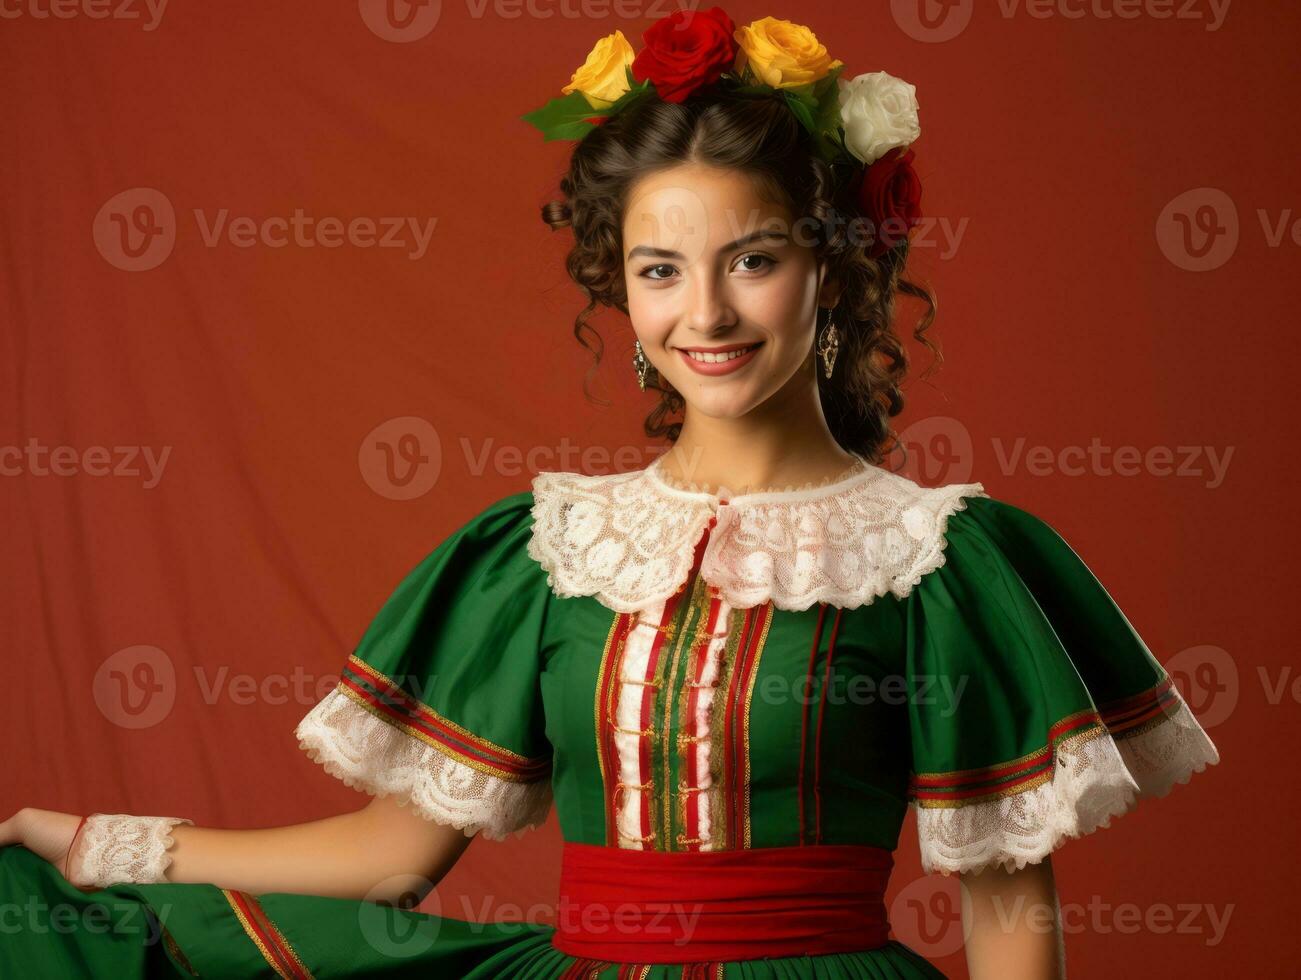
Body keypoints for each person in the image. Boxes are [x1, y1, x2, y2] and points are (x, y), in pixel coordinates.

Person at [0, 9, 1220, 978]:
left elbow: (1006, 907)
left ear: (834, 269)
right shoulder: (549, 549)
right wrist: (101, 845)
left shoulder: (938, 558)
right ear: (622, 296)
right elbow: (389, 858)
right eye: (658, 269)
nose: (706, 314)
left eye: (753, 259)